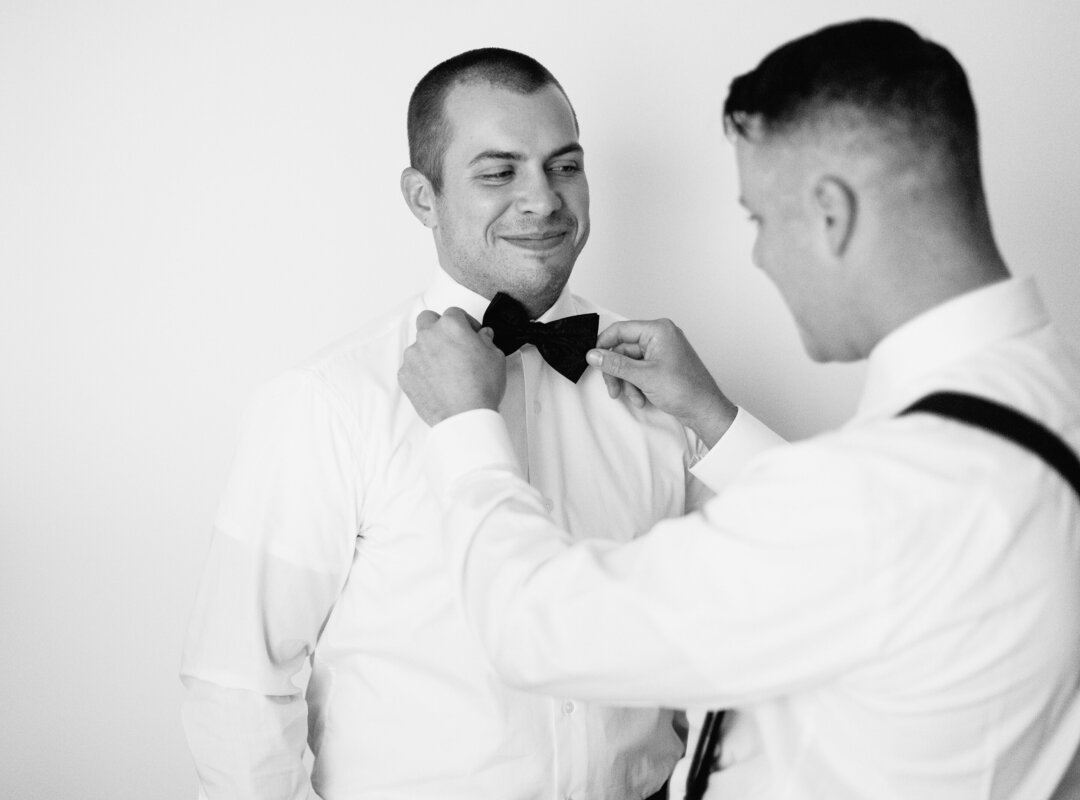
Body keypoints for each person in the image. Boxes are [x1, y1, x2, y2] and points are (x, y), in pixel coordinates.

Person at [397, 20, 1080, 800]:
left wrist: (468, 429)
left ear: (831, 212)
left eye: (759, 218)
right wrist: (712, 415)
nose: (760, 255)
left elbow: (535, 630)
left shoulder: (870, 497)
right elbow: (893, 564)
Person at [180, 47, 740, 800]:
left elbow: (743, 615)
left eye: (564, 166)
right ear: (422, 196)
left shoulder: (659, 382)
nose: (543, 201)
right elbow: (238, 685)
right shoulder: (328, 401)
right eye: (498, 172)